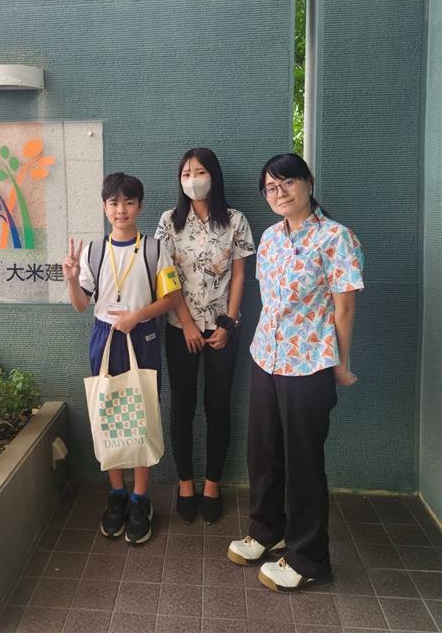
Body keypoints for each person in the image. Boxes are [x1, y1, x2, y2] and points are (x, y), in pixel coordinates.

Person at [227, 152, 364, 591]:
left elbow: (344, 308)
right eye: (270, 187)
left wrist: (341, 362)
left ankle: (310, 557)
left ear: (308, 182)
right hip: (267, 356)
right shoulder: (270, 238)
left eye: (287, 182)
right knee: (263, 450)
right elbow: (271, 301)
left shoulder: (336, 237)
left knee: (303, 461)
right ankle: (268, 529)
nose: (279, 192)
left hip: (309, 363)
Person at [63, 172, 181, 544]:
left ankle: (140, 498)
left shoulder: (154, 249)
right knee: (108, 413)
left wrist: (138, 315)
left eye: (129, 202)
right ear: (104, 207)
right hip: (104, 337)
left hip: (142, 336)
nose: (121, 210)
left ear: (140, 207)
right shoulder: (94, 252)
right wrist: (71, 279)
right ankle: (116, 494)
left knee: (141, 414)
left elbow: (172, 298)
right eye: (114, 203)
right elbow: (81, 305)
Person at [155, 148, 255, 524]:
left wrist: (228, 323)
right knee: (182, 405)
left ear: (214, 175)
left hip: (223, 329)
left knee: (218, 405)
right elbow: (165, 275)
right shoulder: (170, 221)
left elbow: (240, 276)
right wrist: (186, 322)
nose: (193, 179)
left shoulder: (235, 220)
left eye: (200, 172)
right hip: (180, 328)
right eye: (186, 174)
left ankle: (212, 484)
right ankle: (185, 484)